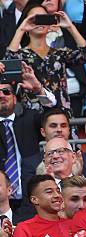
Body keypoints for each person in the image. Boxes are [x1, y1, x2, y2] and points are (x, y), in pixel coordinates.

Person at [6, 4, 86, 110]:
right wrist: (21, 30)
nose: (39, 22)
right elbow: (8, 65)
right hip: (32, 117)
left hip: (60, 116)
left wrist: (70, 26)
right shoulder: (21, 55)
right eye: (34, 18)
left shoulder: (59, 54)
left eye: (43, 18)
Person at [0, 63, 50, 224]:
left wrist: (38, 90)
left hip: (31, 197)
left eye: (6, 91)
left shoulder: (29, 118)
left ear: (15, 96)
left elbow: (55, 117)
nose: (1, 95)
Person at [41, 0, 86, 117]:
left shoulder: (68, 27)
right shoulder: (32, 31)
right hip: (45, 94)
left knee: (73, 130)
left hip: (73, 91)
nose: (48, 0)